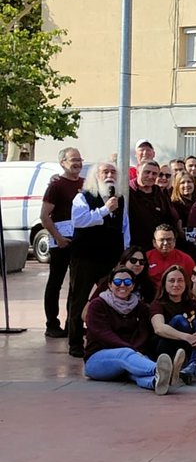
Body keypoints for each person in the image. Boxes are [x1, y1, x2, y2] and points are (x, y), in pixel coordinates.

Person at [83, 266, 184, 395]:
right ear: (109, 285)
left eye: (127, 282)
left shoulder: (140, 307)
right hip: (97, 360)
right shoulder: (97, 305)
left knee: (135, 369)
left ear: (132, 286)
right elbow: (103, 334)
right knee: (126, 355)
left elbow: (143, 334)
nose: (122, 285)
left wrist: (136, 352)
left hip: (131, 356)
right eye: (118, 282)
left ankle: (156, 382)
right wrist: (133, 351)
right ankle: (161, 370)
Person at [67, 160, 129, 358]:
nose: (109, 175)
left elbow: (124, 226)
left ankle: (106, 339)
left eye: (113, 172)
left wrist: (125, 253)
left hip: (110, 256)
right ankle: (75, 342)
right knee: (79, 299)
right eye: (105, 172)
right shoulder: (82, 197)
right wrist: (104, 210)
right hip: (86, 256)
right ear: (96, 175)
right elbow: (79, 221)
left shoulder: (119, 198)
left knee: (111, 298)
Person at [40, 146, 85, 338]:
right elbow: (44, 216)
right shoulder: (56, 185)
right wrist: (58, 238)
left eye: (80, 159)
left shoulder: (85, 183)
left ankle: (72, 324)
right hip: (60, 242)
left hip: (80, 242)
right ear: (63, 163)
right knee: (55, 283)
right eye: (73, 160)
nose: (77, 163)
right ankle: (52, 324)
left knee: (77, 285)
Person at [128, 161, 183, 251]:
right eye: (147, 172)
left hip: (157, 247)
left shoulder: (160, 194)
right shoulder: (128, 192)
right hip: (134, 247)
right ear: (138, 172)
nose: (150, 176)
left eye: (154, 174)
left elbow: (169, 219)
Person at [147, 223, 196, 289]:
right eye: (161, 240)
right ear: (154, 242)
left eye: (169, 239)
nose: (165, 243)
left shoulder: (186, 259)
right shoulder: (146, 257)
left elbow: (193, 282)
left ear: (174, 241)